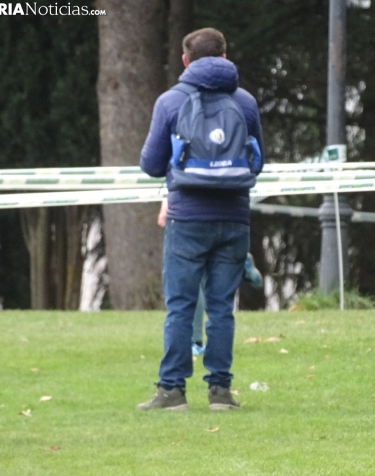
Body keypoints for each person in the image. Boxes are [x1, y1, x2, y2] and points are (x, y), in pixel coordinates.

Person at [137, 27, 264, 411]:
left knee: (180, 306)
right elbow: (258, 161)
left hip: (187, 219)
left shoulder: (170, 102)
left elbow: (150, 165)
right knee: (222, 307)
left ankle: (172, 391)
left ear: (185, 60)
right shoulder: (244, 101)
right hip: (234, 218)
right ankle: (221, 393)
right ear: (225, 56)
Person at [156, 199, 264, 356]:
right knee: (213, 268)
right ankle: (239, 263)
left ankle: (195, 341)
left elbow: (170, 175)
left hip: (192, 215)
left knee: (193, 278)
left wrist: (166, 202)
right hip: (229, 215)